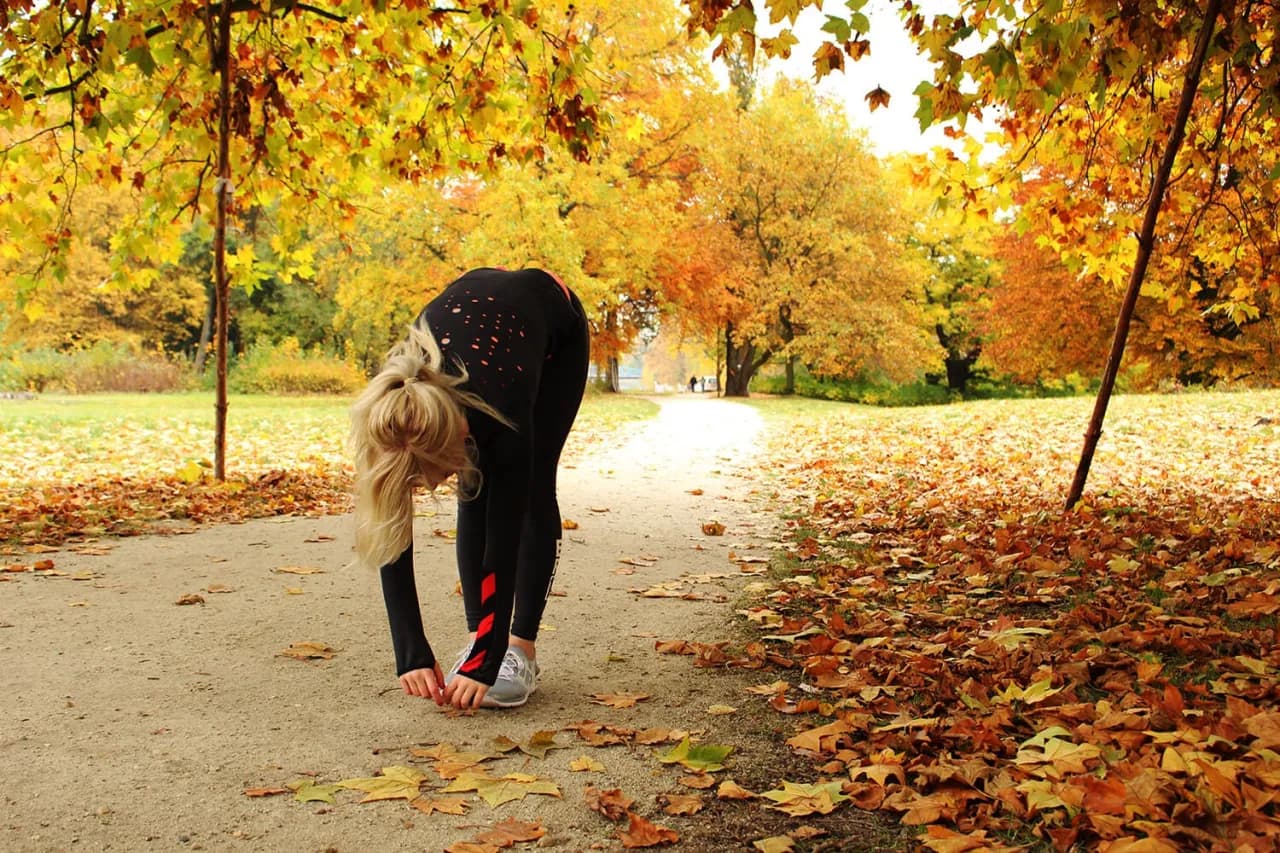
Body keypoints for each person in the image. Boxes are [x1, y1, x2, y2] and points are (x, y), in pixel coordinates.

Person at [350, 267, 590, 710]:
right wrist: (411, 651)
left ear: (458, 435)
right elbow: (389, 526)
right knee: (472, 492)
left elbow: (504, 536)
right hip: (475, 306)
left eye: (430, 476)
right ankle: (476, 639)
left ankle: (518, 652)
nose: (425, 488)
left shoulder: (502, 404)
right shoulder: (391, 409)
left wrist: (490, 657)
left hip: (554, 322)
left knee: (529, 486)